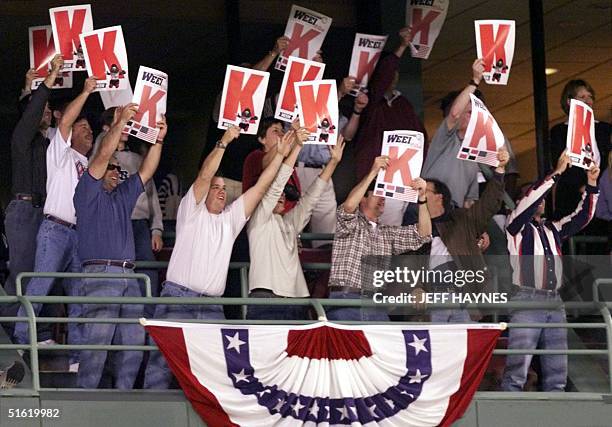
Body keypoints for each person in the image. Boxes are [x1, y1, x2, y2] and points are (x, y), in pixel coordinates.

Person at [144, 125, 297, 389]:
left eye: (224, 188)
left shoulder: (230, 220)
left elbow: (260, 188)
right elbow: (204, 175)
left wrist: (282, 155)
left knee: (214, 378)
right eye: (216, 187)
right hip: (179, 300)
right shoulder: (191, 211)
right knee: (162, 367)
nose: (221, 191)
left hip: (213, 307)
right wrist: (224, 142)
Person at [74, 104, 165, 389]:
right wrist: (121, 122)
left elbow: (147, 170)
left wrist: (159, 140)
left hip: (130, 276)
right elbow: (102, 155)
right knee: (97, 346)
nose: (115, 171)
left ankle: (124, 398)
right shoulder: (87, 191)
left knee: (134, 343)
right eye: (111, 167)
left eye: (117, 167)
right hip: (101, 274)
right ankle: (83, 402)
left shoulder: (123, 197)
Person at [13, 74, 97, 370]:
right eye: (83, 127)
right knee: (40, 286)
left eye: (90, 129)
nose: (89, 132)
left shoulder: (88, 163)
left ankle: (76, 357)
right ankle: (23, 340)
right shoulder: (58, 152)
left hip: (78, 235)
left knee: (78, 296)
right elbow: (63, 123)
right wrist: (86, 91)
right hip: (55, 228)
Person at [501, 152, 600, 391]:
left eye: (544, 198)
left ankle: (558, 413)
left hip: (554, 300)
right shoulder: (515, 225)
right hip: (527, 298)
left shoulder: (552, 228)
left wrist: (592, 184)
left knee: (558, 370)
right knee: (518, 368)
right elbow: (531, 199)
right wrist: (555, 174)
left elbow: (582, 217)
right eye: (537, 196)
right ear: (523, 201)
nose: (542, 201)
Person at [247, 136, 345, 320]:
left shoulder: (289, 222)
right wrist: (298, 145)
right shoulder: (258, 218)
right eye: (277, 193)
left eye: (285, 192)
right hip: (267, 300)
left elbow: (311, 199)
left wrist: (333, 163)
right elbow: (275, 186)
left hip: (298, 300)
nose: (282, 195)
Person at [326, 156, 432, 321]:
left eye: (384, 195)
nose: (383, 198)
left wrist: (422, 199)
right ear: (363, 199)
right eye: (377, 194)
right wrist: (373, 172)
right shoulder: (350, 223)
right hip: (345, 300)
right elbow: (348, 206)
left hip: (376, 304)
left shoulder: (387, 232)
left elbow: (424, 235)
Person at [1, 55, 62, 332]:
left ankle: (36, 332)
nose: (46, 112)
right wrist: (41, 85)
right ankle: (8, 333)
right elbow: (30, 111)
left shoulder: (48, 144)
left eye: (49, 110)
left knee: (43, 276)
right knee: (23, 273)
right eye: (42, 109)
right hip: (24, 211)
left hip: (45, 213)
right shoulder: (21, 138)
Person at [424, 148, 509, 322]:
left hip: (464, 300)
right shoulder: (414, 228)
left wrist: (499, 171)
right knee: (437, 348)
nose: (418, 195)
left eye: (423, 191)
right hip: (430, 301)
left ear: (439, 197)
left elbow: (487, 205)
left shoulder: (461, 220)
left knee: (463, 348)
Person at [93, 108, 165, 315]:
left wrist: (157, 229)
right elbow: (99, 151)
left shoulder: (137, 159)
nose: (128, 127)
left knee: (148, 270)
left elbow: (151, 196)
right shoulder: (101, 156)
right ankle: (115, 319)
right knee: (115, 271)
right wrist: (113, 128)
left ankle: (148, 319)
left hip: (139, 223)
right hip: (113, 221)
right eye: (124, 123)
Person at [353, 27, 427, 226]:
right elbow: (381, 78)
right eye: (388, 73)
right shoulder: (371, 102)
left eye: (396, 73)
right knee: (378, 236)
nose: (393, 77)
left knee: (394, 237)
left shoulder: (403, 104)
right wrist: (402, 46)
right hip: (379, 182)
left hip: (405, 182)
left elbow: (420, 139)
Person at [295, 78, 368, 247]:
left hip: (323, 171)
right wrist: (340, 92)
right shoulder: (299, 103)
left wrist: (357, 111)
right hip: (299, 169)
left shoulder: (333, 112)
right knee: (294, 221)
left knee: (327, 229)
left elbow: (347, 135)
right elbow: (316, 110)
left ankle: (322, 269)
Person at [549, 80, 610, 232]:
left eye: (590, 96)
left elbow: (608, 162)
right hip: (571, 196)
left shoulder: (605, 129)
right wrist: (581, 186)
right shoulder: (559, 131)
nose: (588, 100)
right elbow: (561, 163)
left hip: (600, 194)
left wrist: (593, 184)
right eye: (582, 96)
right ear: (569, 101)